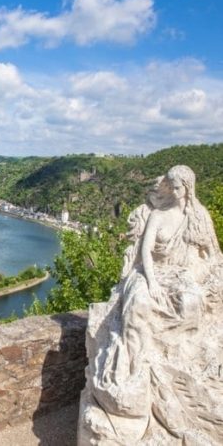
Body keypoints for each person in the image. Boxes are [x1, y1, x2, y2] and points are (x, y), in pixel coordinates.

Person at [87, 165, 223, 442]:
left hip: (182, 276)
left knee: (191, 303)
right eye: (169, 186)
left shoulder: (199, 218)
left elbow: (212, 255)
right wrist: (152, 281)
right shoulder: (159, 216)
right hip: (151, 273)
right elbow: (145, 252)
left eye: (176, 187)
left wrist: (198, 278)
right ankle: (135, 367)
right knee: (138, 304)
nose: (172, 191)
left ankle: (183, 358)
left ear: (187, 187)